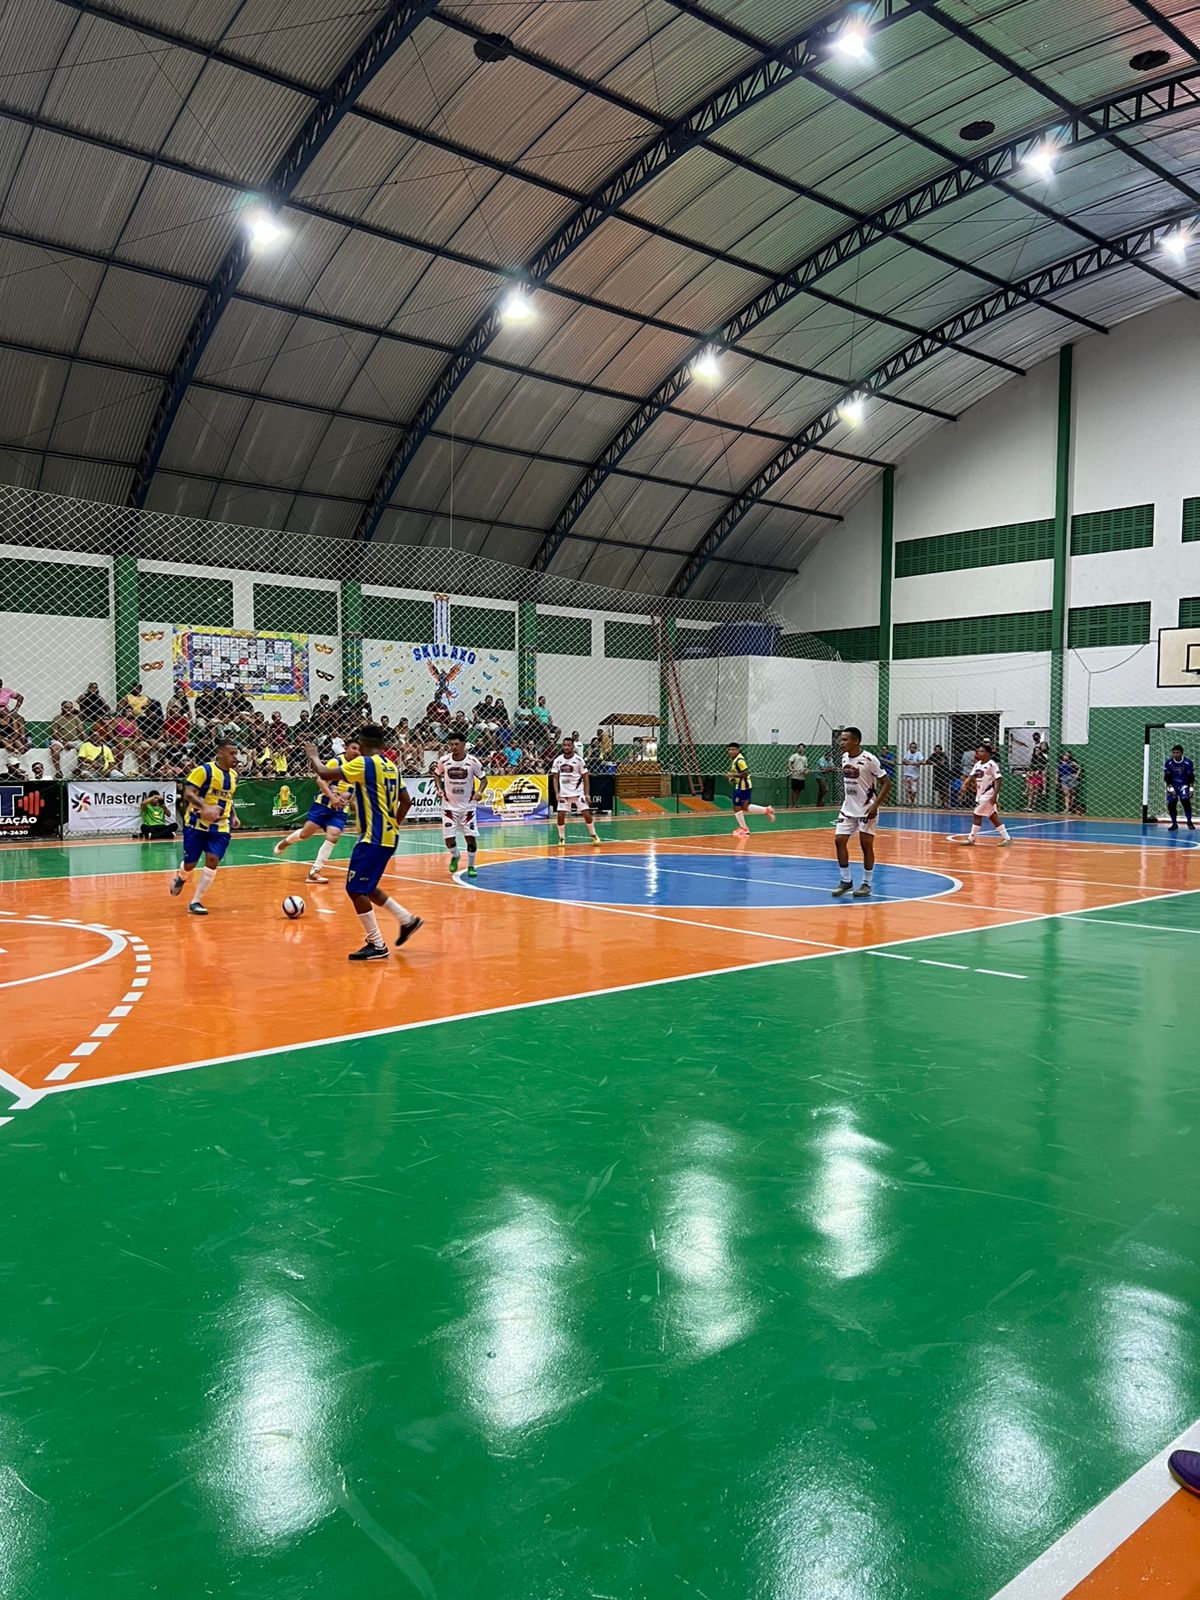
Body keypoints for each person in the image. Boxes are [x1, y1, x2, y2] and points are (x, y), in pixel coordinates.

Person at [306, 727, 423, 961]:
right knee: (367, 886)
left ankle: (377, 944)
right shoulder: (392, 766)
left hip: (373, 838)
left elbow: (324, 773)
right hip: (388, 836)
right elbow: (406, 801)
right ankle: (406, 920)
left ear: (361, 743)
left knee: (355, 889)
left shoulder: (365, 763)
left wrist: (313, 755)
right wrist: (394, 824)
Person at [170, 739, 239, 915]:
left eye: (236, 754)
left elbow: (228, 799)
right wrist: (205, 808)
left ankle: (196, 901)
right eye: (231, 753)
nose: (235, 757)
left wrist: (234, 815)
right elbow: (188, 793)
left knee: (213, 860)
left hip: (221, 826)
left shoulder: (234, 776)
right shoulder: (204, 771)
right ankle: (181, 877)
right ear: (220, 753)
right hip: (196, 824)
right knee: (190, 863)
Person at [275, 738, 359, 882]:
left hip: (340, 809)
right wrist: (333, 797)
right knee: (305, 834)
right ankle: (286, 842)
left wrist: (351, 803)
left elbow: (353, 788)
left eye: (359, 750)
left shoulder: (359, 767)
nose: (356, 752)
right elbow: (320, 780)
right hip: (323, 805)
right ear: (346, 748)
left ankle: (315, 871)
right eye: (354, 748)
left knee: (333, 836)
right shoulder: (336, 762)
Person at [831, 726, 889, 898]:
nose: (841, 743)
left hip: (866, 809)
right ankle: (846, 880)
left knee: (866, 845)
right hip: (847, 809)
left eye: (845, 739)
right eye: (840, 739)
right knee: (839, 841)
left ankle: (866, 883)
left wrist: (875, 806)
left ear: (856, 741)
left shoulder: (870, 759)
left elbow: (887, 783)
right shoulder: (844, 757)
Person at [435, 733, 486, 877]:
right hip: (449, 807)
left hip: (468, 807)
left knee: (470, 839)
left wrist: (479, 792)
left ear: (464, 745)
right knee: (449, 841)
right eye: (451, 744)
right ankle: (455, 855)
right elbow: (437, 774)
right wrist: (439, 789)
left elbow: (484, 779)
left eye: (457, 744)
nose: (454, 747)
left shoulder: (473, 761)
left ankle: (471, 866)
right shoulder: (444, 760)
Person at [954, 743, 1011, 846]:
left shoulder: (992, 764)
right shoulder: (977, 764)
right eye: (978, 751)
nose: (979, 753)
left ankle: (971, 838)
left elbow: (998, 780)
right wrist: (965, 784)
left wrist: (995, 795)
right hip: (980, 794)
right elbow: (972, 776)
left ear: (988, 753)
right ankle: (1007, 839)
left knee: (977, 814)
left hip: (989, 794)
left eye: (982, 751)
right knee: (992, 816)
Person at [551, 736, 602, 847]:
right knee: (560, 815)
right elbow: (555, 777)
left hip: (578, 792)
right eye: (564, 745)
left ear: (573, 747)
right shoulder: (558, 760)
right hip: (564, 794)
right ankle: (561, 838)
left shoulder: (579, 760)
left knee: (586, 814)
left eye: (569, 745)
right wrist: (556, 793)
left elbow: (585, 776)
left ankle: (593, 835)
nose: (566, 747)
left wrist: (587, 794)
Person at [725, 742, 775, 836]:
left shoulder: (739, 760)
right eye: (729, 750)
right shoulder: (735, 759)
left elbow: (745, 773)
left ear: (738, 750)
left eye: (733, 749)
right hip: (743, 785)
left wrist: (732, 775)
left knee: (736, 807)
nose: (730, 751)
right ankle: (766, 810)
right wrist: (732, 778)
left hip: (743, 786)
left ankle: (744, 828)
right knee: (745, 806)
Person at [1164, 743, 1195, 831]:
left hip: (1184, 785)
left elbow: (1191, 777)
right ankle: (1174, 824)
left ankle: (1189, 821)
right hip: (1173, 785)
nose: (1175, 754)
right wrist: (1171, 788)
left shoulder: (1188, 762)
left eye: (1177, 753)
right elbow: (1167, 777)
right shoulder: (1168, 763)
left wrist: (1191, 789)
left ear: (1181, 753)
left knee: (1185, 801)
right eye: (1174, 753)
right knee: (1171, 803)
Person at [49, 700, 84, 776]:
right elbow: (54, 734)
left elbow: (81, 731)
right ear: (62, 708)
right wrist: (63, 742)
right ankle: (58, 771)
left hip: (74, 741)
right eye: (67, 707)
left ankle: (78, 768)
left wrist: (87, 741)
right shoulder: (57, 718)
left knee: (85, 747)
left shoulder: (76, 718)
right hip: (60, 740)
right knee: (54, 748)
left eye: (71, 708)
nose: (69, 709)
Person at [1025, 734, 1048, 810]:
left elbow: (1044, 766)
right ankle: (1029, 805)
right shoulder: (1033, 759)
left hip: (1038, 775)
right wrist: (1031, 772)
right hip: (1033, 775)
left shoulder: (1043, 758)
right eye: (1035, 751)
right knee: (1031, 791)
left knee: (1035, 791)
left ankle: (1033, 806)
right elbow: (1031, 766)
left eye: (1038, 751)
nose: (1036, 752)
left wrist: (1039, 771)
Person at [901, 741, 924, 806]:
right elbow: (903, 760)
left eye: (914, 747)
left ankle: (913, 802)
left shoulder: (918, 753)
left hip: (914, 775)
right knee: (909, 790)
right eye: (911, 747)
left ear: (916, 748)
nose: (912, 749)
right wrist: (906, 762)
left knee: (914, 790)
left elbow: (922, 761)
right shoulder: (907, 753)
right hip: (907, 774)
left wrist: (916, 763)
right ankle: (911, 802)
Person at [929, 744, 952, 809]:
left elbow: (941, 762)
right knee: (940, 790)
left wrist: (935, 763)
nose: (937, 752)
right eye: (935, 750)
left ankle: (947, 803)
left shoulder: (943, 755)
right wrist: (932, 762)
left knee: (945, 789)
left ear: (941, 750)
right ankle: (942, 803)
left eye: (938, 750)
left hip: (945, 774)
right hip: (937, 775)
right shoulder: (933, 755)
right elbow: (927, 761)